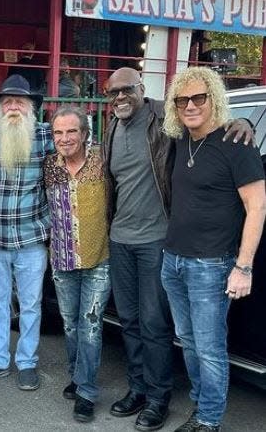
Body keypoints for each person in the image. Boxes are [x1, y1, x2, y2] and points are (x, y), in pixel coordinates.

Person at [103, 67, 253, 432]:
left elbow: (210, 125)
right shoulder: (115, 128)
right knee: (131, 320)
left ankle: (158, 398)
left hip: (159, 240)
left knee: (157, 325)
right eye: (112, 92)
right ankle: (137, 388)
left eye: (127, 90)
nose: (120, 97)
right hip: (125, 240)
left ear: (142, 88)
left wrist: (245, 120)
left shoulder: (163, 122)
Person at [161, 67, 266, 432]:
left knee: (209, 347)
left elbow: (257, 206)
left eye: (199, 98)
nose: (190, 105)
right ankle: (200, 403)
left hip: (211, 265)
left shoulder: (238, 145)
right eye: (182, 100)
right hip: (172, 260)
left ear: (214, 99)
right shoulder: (179, 141)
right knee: (188, 342)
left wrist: (243, 267)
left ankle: (208, 420)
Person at [0, 74, 52, 391]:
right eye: (8, 101)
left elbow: (81, 143)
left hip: (32, 239)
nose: (14, 106)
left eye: (20, 100)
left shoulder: (47, 137)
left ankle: (27, 362)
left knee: (31, 304)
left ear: (32, 107)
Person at [44, 107, 110, 423]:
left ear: (85, 134)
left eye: (72, 131)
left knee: (91, 324)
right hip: (62, 258)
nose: (65, 138)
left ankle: (86, 391)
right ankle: (76, 375)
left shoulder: (103, 163)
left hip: (99, 257)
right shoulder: (48, 166)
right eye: (58, 132)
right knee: (70, 323)